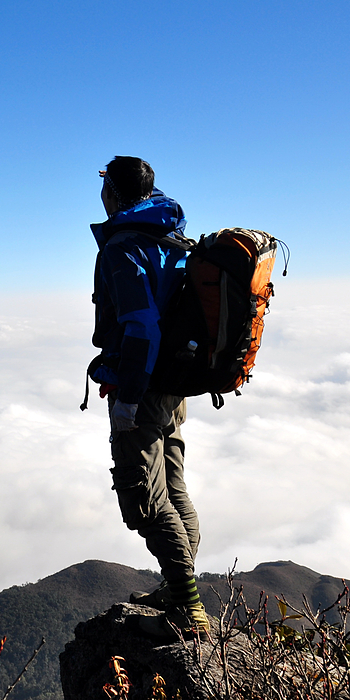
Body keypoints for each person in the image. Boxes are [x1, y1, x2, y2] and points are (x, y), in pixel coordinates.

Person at [89, 155, 208, 637]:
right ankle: (177, 588)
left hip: (145, 387)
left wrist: (128, 399)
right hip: (177, 387)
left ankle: (186, 604)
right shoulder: (170, 238)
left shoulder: (123, 247)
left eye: (103, 186)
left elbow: (140, 326)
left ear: (113, 191)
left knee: (144, 495)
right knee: (174, 487)